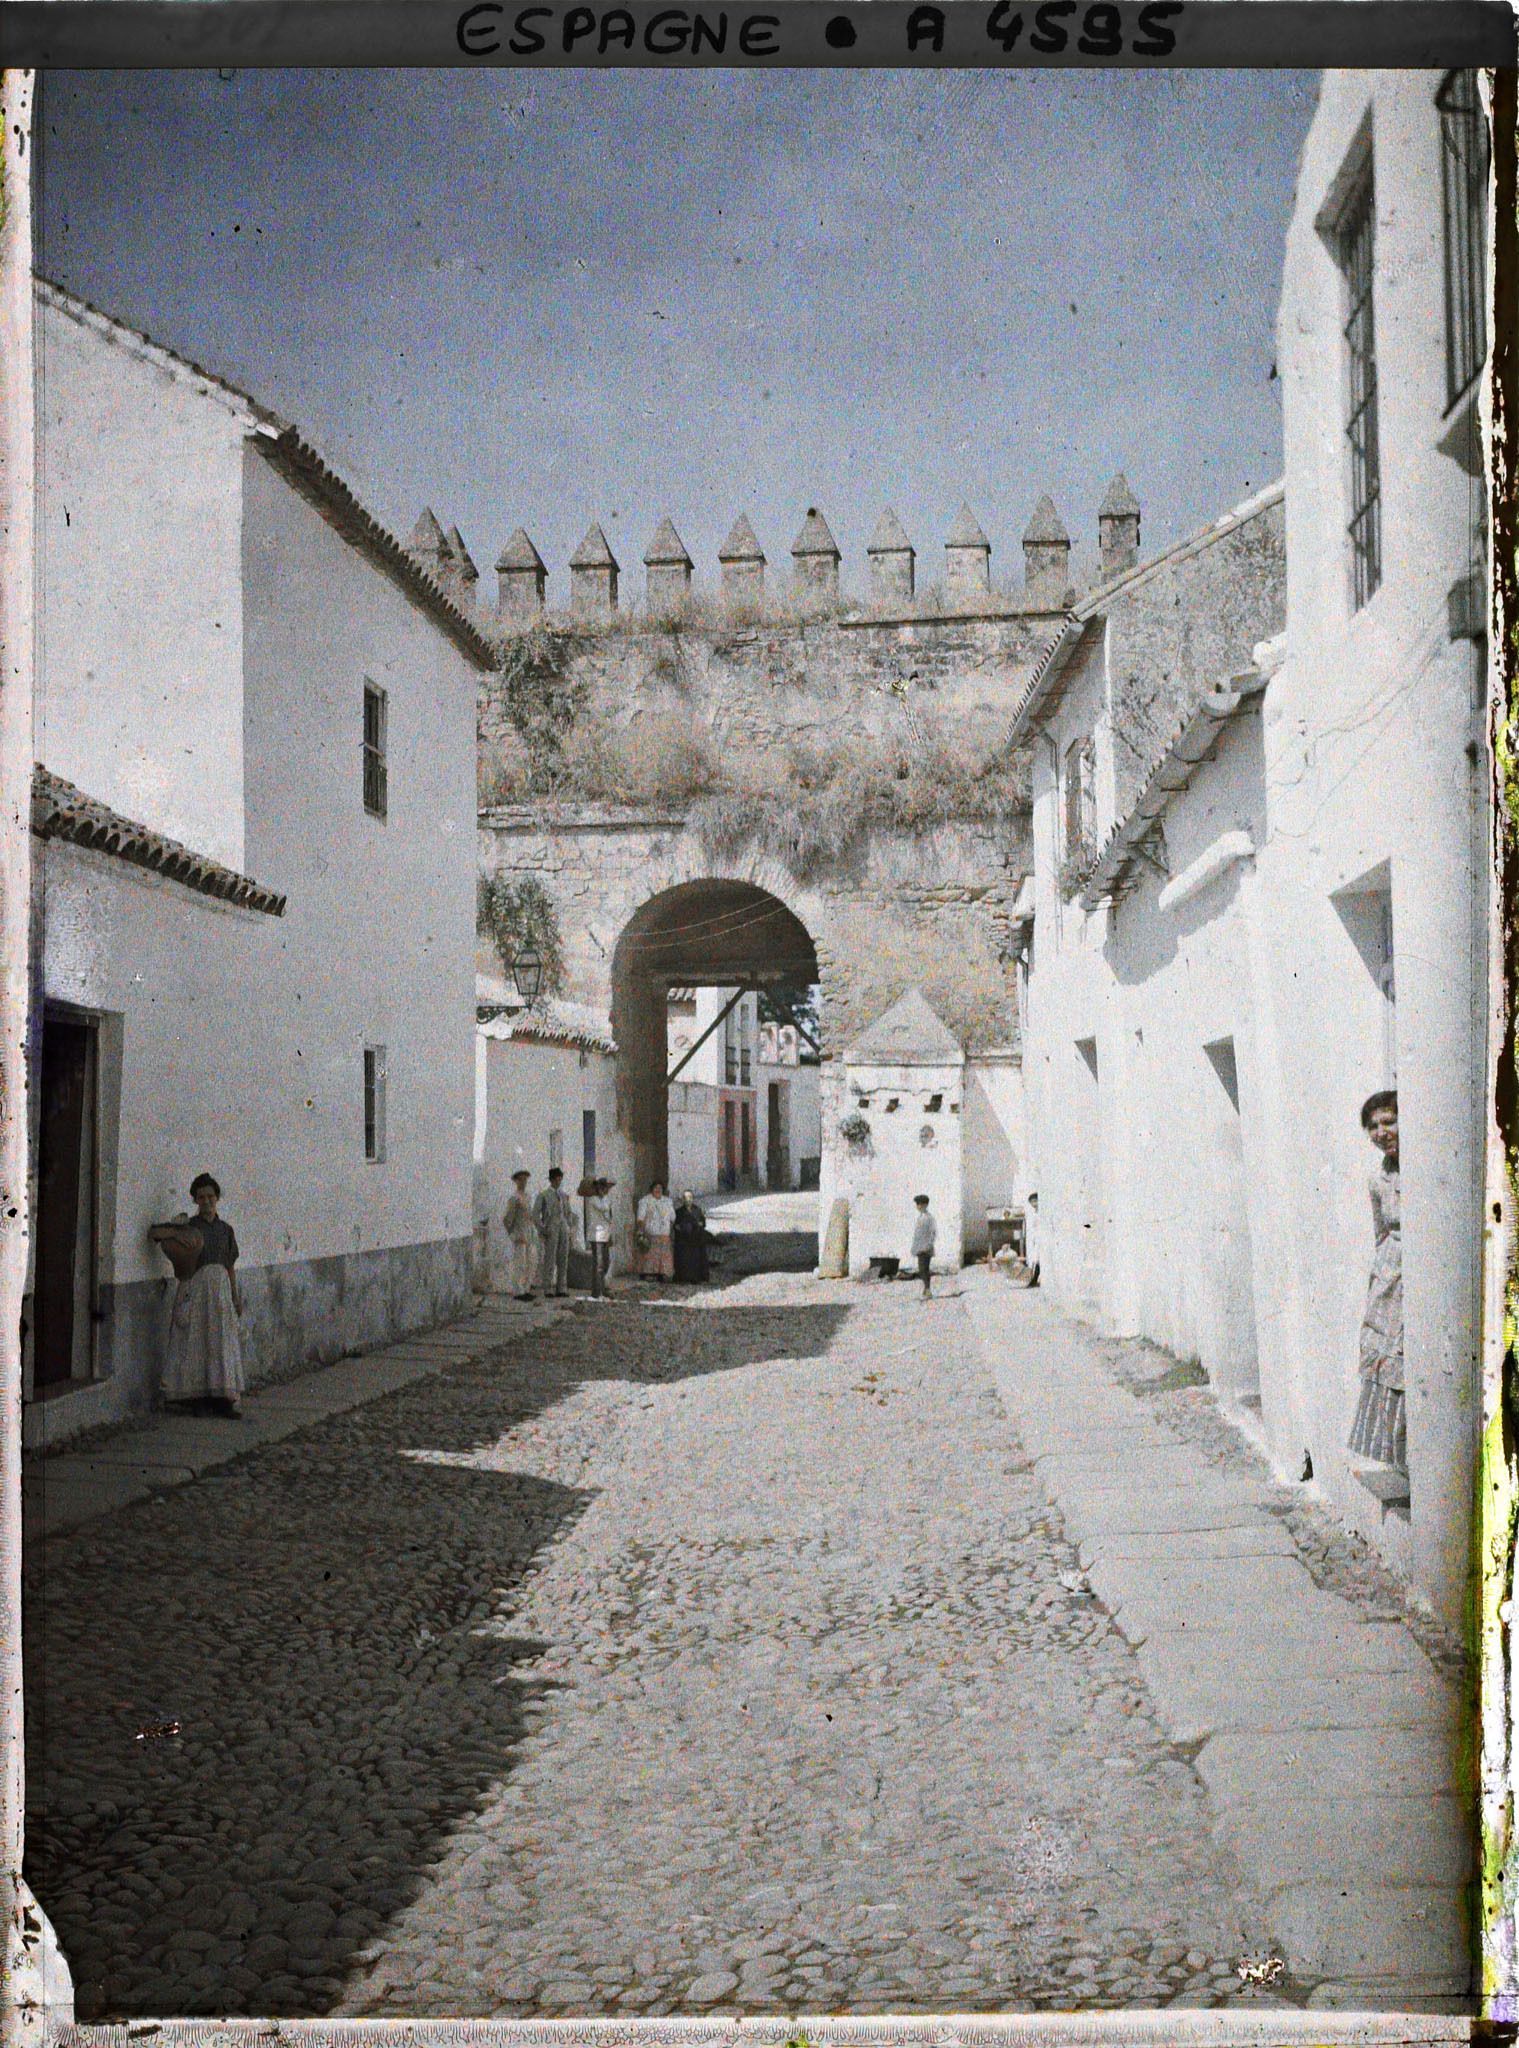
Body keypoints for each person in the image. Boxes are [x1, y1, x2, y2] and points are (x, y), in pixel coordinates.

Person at [149, 1172, 245, 1417]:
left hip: (220, 1289)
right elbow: (157, 1234)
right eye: (201, 1197)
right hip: (195, 1286)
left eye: (210, 1196)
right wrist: (176, 1231)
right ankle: (197, 1398)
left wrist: (234, 1296)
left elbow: (230, 1265)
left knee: (221, 1342)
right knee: (195, 1341)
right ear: (195, 1200)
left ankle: (223, 1399)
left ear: (217, 1198)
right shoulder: (189, 1228)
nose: (206, 1201)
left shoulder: (226, 1230)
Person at [1348, 1089, 1405, 1474]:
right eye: (1373, 1126)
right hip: (1390, 1282)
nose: (1381, 1132)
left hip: (1420, 1275)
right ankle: (1400, 1463)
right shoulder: (1378, 1179)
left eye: (1389, 1122)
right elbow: (1380, 1234)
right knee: (1387, 1367)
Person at [533, 1166, 575, 1299]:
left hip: (563, 1228)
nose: (558, 1182)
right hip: (551, 1228)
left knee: (563, 1258)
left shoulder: (564, 1195)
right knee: (550, 1258)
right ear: (551, 1180)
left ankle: (561, 1287)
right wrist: (542, 1228)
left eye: (560, 1179)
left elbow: (568, 1213)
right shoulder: (543, 1195)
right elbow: (535, 1214)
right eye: (556, 1179)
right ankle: (548, 1288)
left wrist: (570, 1226)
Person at [579, 1174, 616, 1298]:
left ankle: (601, 1286)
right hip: (597, 1234)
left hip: (605, 1233)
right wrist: (604, 1197)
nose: (605, 1191)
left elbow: (609, 1218)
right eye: (603, 1188)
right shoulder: (593, 1200)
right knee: (599, 1263)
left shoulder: (605, 1199)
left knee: (605, 1261)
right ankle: (597, 1290)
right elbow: (604, 1208)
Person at [503, 1169, 536, 1300]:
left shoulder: (527, 1196)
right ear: (516, 1181)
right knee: (519, 1264)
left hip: (528, 1232)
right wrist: (512, 1233)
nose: (524, 1182)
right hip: (519, 1233)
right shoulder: (514, 1198)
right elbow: (507, 1219)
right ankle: (518, 1291)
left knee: (530, 1263)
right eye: (521, 1180)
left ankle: (526, 1289)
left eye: (525, 1179)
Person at [636, 1179, 677, 1282]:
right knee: (649, 1254)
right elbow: (640, 1217)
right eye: (656, 1188)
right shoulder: (645, 1201)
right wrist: (641, 1231)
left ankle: (661, 1274)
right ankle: (647, 1274)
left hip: (663, 1233)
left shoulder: (667, 1201)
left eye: (660, 1188)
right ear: (651, 1190)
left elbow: (673, 1217)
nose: (658, 1190)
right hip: (651, 1233)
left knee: (663, 1255)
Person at [672, 1190, 711, 1284]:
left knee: (696, 1258)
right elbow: (675, 1225)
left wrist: (698, 1225)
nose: (688, 1200)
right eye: (685, 1198)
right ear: (682, 1200)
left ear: (692, 1199)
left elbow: (703, 1223)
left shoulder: (697, 1210)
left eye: (690, 1197)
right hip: (683, 1240)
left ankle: (697, 1278)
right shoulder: (679, 1212)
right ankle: (683, 1277)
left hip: (695, 1239)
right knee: (684, 1258)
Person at [911, 1192, 937, 1300]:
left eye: (920, 1204)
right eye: (917, 1204)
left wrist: (928, 1245)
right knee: (922, 1269)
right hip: (920, 1247)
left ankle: (928, 1290)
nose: (918, 1206)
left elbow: (933, 1233)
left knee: (924, 1269)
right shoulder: (920, 1217)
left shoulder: (929, 1218)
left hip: (925, 1248)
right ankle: (926, 1289)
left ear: (925, 1205)